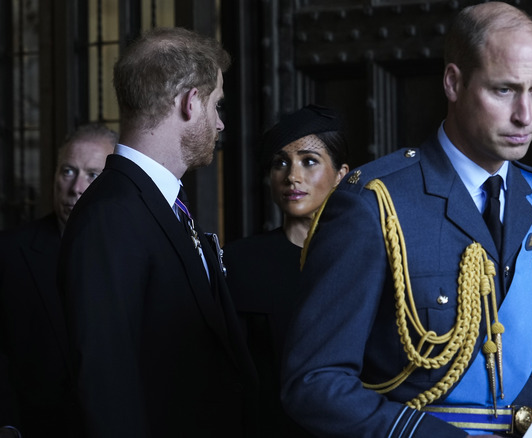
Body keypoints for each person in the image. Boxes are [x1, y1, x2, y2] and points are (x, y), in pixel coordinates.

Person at [280, 3, 532, 437]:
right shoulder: (374, 204)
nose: (525, 115)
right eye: (504, 90)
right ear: (454, 83)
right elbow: (314, 384)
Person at [57, 27, 259, 437]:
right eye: (216, 105)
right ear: (190, 102)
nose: (220, 123)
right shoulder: (111, 215)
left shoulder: (159, 202)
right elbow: (106, 386)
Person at [223, 104, 349, 437]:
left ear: (341, 175)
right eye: (281, 162)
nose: (292, 176)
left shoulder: (362, 261)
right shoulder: (241, 261)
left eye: (309, 161)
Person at [0, 123, 116, 438]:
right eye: (68, 171)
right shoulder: (9, 253)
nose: (76, 187)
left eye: (93, 175)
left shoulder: (137, 252)